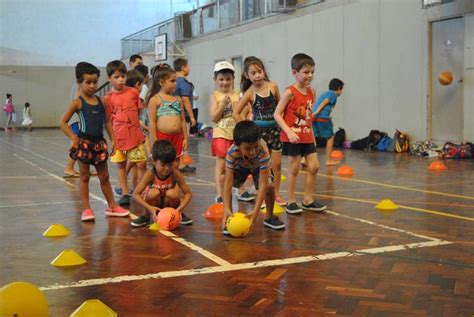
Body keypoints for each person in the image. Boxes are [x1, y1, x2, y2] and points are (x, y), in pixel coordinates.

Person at [59, 62, 130, 221]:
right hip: (84, 144)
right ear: (79, 82)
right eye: (88, 82)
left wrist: (114, 141)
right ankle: (86, 209)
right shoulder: (77, 103)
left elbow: (107, 122)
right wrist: (73, 137)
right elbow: (62, 122)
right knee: (84, 177)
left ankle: (112, 206)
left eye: (95, 82)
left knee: (104, 177)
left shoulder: (102, 101)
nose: (92, 86)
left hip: (99, 144)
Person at [274, 53, 327, 214]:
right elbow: (277, 114)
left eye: (312, 72)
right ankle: (291, 201)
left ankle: (308, 200)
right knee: (294, 168)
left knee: (314, 166)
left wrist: (312, 136)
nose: (309, 75)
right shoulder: (290, 92)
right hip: (293, 137)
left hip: (306, 136)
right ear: (294, 73)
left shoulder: (312, 92)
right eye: (305, 72)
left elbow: (308, 117)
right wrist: (288, 132)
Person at [233, 56, 285, 205]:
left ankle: (275, 194)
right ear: (246, 76)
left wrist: (284, 125)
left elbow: (280, 107)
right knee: (263, 166)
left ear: (264, 71)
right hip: (259, 135)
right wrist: (246, 130)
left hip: (274, 132)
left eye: (259, 71)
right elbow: (236, 113)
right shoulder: (249, 92)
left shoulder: (273, 86)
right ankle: (261, 195)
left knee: (277, 165)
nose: (257, 75)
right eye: (253, 73)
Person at [147, 63, 193, 225]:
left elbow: (182, 120)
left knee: (175, 170)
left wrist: (185, 138)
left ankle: (176, 204)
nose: (175, 84)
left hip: (177, 139)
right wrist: (155, 141)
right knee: (160, 169)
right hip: (162, 138)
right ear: (161, 82)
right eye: (172, 81)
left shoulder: (177, 99)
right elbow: (152, 122)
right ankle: (154, 201)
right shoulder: (155, 100)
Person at [222, 120, 285, 234]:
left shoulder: (262, 151)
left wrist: (255, 211)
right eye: (247, 148)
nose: (253, 152)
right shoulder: (232, 152)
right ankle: (228, 217)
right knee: (223, 179)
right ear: (237, 145)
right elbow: (229, 180)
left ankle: (269, 217)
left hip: (258, 168)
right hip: (241, 166)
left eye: (255, 146)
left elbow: (262, 184)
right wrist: (226, 207)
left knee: (270, 186)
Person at [103, 60, 147, 206]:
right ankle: (125, 193)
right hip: (118, 138)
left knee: (141, 163)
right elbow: (108, 120)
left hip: (135, 136)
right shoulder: (107, 98)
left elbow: (138, 110)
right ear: (109, 78)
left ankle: (142, 191)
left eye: (123, 76)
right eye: (116, 77)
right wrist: (112, 140)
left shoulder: (133, 92)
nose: (121, 79)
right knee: (121, 166)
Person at [131, 140, 192, 227]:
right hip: (154, 205)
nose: (167, 168)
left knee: (173, 193)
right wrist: (149, 208)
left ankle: (178, 214)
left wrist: (180, 209)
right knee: (153, 192)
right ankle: (146, 216)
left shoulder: (175, 173)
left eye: (170, 164)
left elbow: (188, 193)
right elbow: (135, 194)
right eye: (163, 165)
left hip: (169, 205)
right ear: (154, 161)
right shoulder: (150, 173)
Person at [210, 61, 241, 203]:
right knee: (221, 165)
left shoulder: (238, 95)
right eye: (221, 79)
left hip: (236, 134)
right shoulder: (215, 95)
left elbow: (242, 114)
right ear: (215, 80)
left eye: (228, 79)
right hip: (221, 133)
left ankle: (239, 189)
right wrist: (222, 104)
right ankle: (220, 194)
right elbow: (214, 118)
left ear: (233, 78)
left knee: (238, 164)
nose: (225, 82)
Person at [313, 78, 344, 165]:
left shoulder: (325, 93)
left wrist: (314, 113)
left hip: (315, 119)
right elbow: (324, 102)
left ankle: (304, 159)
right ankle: (328, 160)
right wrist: (317, 112)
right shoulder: (332, 94)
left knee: (313, 138)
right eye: (341, 90)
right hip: (322, 118)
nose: (341, 92)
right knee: (330, 138)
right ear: (338, 88)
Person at [173, 58, 197, 173]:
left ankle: (178, 161)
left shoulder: (172, 81)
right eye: (188, 66)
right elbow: (185, 99)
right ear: (183, 67)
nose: (189, 68)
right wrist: (192, 116)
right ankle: (181, 163)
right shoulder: (183, 83)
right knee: (183, 138)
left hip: (172, 115)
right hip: (182, 115)